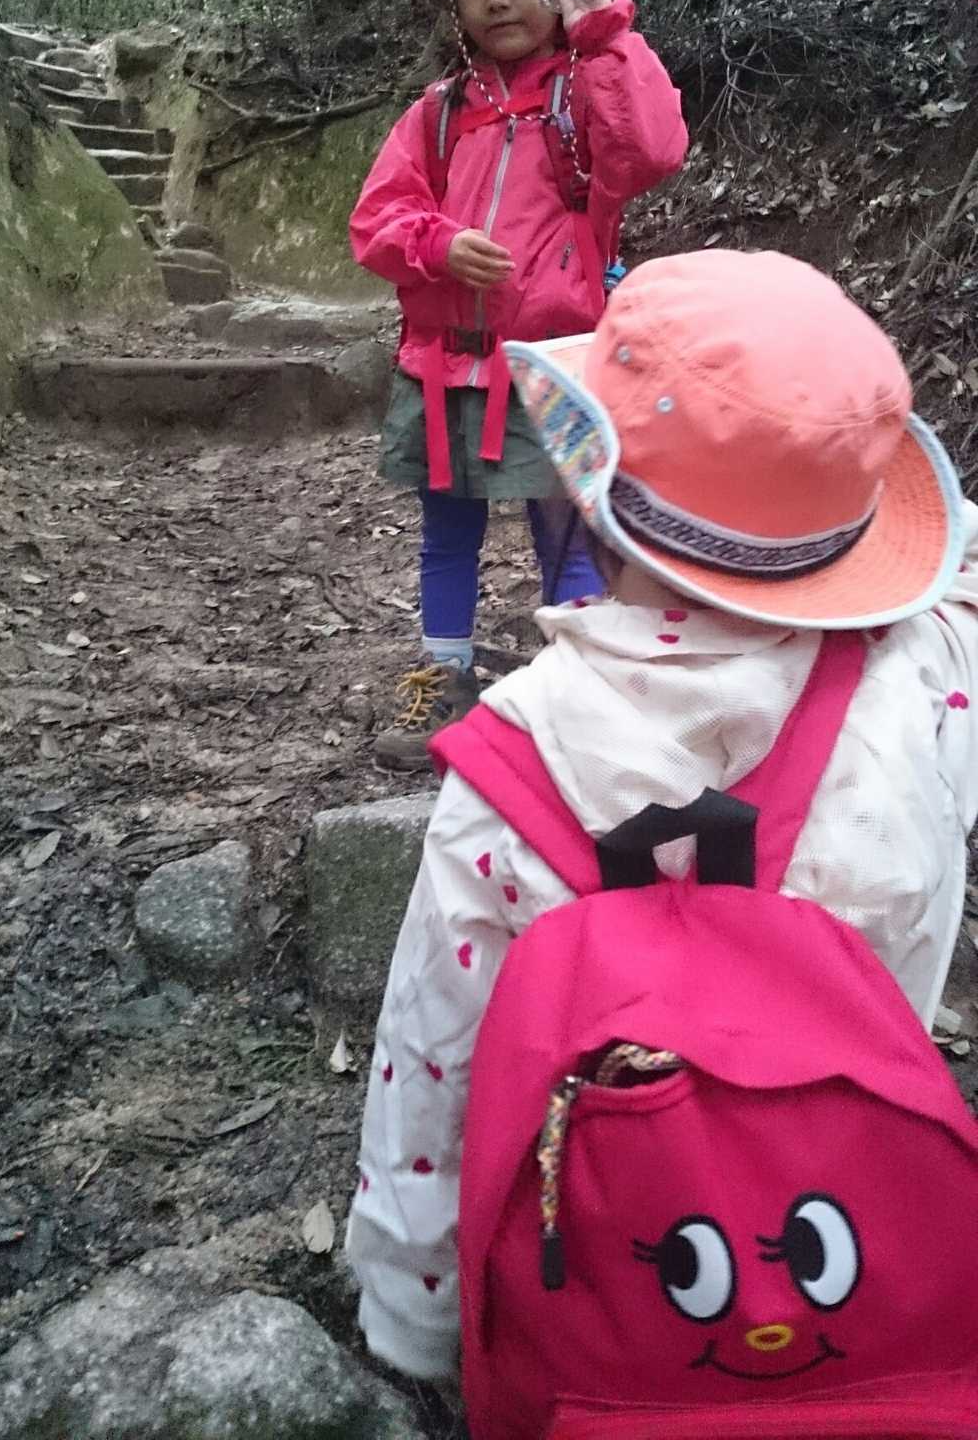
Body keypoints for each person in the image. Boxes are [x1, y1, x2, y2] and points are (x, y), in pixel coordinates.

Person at [345, 247, 978, 1386]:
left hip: (601, 1281)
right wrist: (824, 468)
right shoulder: (928, 686)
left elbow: (433, 1066)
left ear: (589, 507)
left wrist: (415, 1325)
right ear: (860, 539)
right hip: (846, 1229)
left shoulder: (517, 759)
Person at [349, 0, 687, 770]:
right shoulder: (438, 113)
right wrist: (435, 244)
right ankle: (444, 677)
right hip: (446, 363)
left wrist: (601, 24)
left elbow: (653, 150)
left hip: (556, 365)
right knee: (447, 530)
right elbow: (376, 220)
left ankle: (576, 686)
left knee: (566, 531)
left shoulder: (586, 94)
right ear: (452, 2)